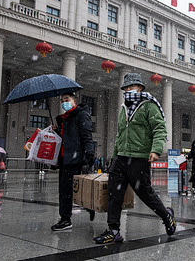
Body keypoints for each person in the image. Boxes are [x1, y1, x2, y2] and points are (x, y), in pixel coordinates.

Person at [93, 73, 176, 244]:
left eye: (132, 87)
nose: (129, 90)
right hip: (121, 158)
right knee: (114, 194)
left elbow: (160, 129)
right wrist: (114, 157)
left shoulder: (149, 106)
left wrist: (155, 150)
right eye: (126, 88)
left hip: (139, 158)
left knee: (145, 194)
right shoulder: (123, 108)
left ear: (140, 88)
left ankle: (166, 215)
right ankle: (114, 230)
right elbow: (120, 135)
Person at [51, 92, 95, 231]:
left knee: (67, 189)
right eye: (62, 100)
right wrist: (57, 130)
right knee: (69, 189)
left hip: (75, 159)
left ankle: (65, 219)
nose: (64, 102)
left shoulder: (81, 115)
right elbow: (66, 138)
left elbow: (86, 135)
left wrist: (90, 153)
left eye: (67, 99)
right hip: (64, 159)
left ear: (74, 101)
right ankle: (87, 206)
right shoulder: (64, 118)